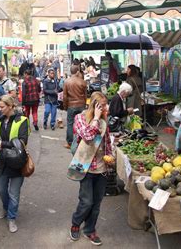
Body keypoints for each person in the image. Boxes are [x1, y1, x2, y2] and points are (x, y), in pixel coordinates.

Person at [70, 92, 113, 246]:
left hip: (101, 168)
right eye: (102, 106)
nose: (105, 109)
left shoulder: (104, 120)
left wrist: (110, 156)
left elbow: (107, 142)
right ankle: (76, 223)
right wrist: (95, 118)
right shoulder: (80, 118)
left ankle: (90, 230)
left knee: (96, 204)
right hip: (85, 167)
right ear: (94, 106)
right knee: (86, 202)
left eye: (105, 105)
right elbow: (87, 136)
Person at [0, 95, 30, 233]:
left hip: (18, 162)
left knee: (14, 193)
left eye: (2, 107)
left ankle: (11, 218)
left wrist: (2, 144)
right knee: (1, 190)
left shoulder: (22, 120)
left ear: (11, 106)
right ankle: (6, 208)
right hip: (1, 161)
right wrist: (2, 144)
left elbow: (22, 140)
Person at [62, 65, 87, 148]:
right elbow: (85, 95)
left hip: (71, 105)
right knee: (82, 123)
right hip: (81, 105)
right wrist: (84, 104)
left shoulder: (66, 82)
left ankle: (70, 142)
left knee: (70, 123)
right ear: (77, 72)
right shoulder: (82, 82)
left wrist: (65, 106)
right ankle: (82, 141)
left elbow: (65, 96)